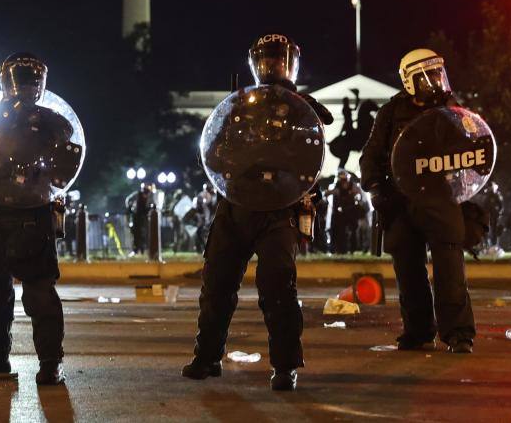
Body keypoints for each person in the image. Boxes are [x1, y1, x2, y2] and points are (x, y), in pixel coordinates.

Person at [182, 34, 333, 391]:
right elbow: (214, 148)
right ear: (255, 64)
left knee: (278, 285)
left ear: (291, 64)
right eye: (267, 60)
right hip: (236, 204)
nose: (273, 67)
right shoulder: (239, 105)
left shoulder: (303, 108)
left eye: (279, 60)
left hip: (280, 209)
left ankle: (284, 366)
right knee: (216, 285)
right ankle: (207, 358)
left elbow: (313, 149)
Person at [0, 52, 83, 386]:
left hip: (0, 218)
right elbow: (66, 168)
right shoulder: (56, 122)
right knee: (35, 293)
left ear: (3, 80)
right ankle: (48, 364)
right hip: (29, 218)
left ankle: (1, 360)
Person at [359, 48, 476, 354]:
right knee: (409, 272)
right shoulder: (391, 112)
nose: (435, 81)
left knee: (450, 269)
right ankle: (418, 331)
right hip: (401, 200)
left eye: (438, 73)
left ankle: (458, 333)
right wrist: (374, 186)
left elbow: (475, 149)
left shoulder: (453, 110)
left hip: (441, 197)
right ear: (409, 81)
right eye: (427, 75)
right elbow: (372, 153)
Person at [325, 170, 364, 254]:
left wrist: (356, 196)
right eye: (342, 180)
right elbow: (327, 194)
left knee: (353, 231)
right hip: (340, 213)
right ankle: (341, 250)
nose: (344, 182)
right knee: (340, 231)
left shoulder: (353, 186)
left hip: (351, 211)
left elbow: (359, 195)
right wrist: (331, 192)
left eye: (345, 179)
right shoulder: (336, 186)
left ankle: (353, 249)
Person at [125, 183, 154, 255]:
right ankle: (136, 249)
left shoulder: (150, 195)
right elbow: (128, 200)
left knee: (145, 233)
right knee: (136, 233)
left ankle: (144, 249)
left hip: (145, 216)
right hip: (137, 216)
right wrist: (130, 208)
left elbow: (152, 204)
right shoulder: (137, 194)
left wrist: (151, 208)